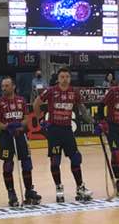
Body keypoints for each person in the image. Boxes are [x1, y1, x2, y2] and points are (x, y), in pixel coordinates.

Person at [33, 66, 94, 203]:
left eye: (67, 77)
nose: (65, 79)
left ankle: (80, 188)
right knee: (55, 162)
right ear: (58, 78)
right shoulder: (51, 91)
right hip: (54, 131)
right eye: (62, 77)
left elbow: (82, 110)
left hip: (67, 130)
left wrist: (93, 122)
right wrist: (40, 120)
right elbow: (36, 103)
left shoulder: (74, 92)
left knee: (76, 158)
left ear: (70, 78)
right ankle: (59, 188)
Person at [0, 77, 41, 207]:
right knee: (8, 165)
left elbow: (26, 118)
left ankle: (29, 191)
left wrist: (19, 126)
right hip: (6, 136)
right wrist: (7, 127)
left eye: (6, 86)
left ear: (13, 86)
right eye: (2, 86)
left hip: (20, 135)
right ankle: (11, 193)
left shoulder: (21, 100)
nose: (4, 88)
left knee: (26, 163)